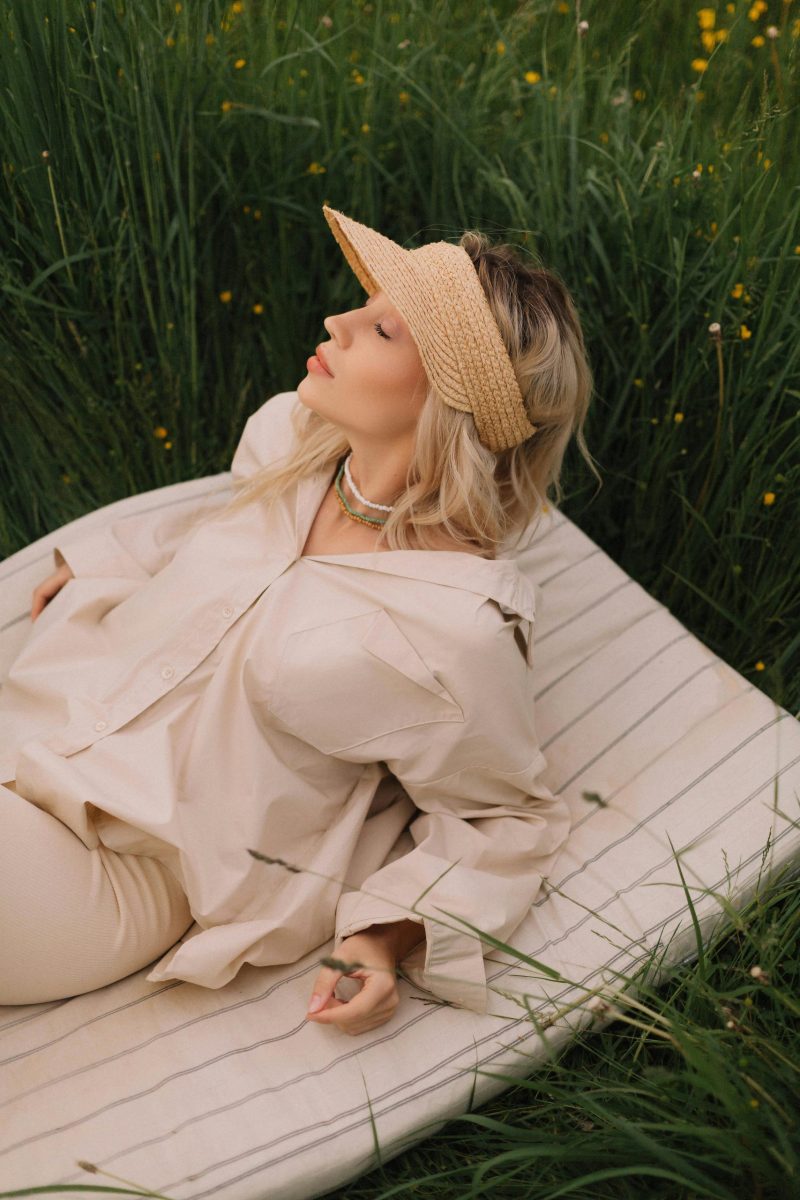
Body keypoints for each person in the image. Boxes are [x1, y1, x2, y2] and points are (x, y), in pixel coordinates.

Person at [1, 205, 598, 1033]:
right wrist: (109, 560)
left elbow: (507, 817)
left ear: (447, 399)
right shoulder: (290, 435)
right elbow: (220, 524)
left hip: (117, 860)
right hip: (38, 720)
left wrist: (384, 934)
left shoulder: (452, 631)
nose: (338, 322)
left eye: (383, 329)